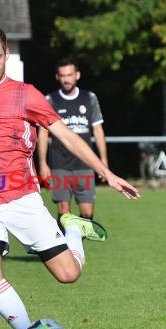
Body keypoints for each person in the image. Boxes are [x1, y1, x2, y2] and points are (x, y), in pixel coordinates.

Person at [0, 26, 139, 329]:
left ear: (6, 55)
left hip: (21, 197)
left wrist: (106, 173)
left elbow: (66, 136)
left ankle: (72, 228)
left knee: (68, 274)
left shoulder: (25, 94)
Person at [38, 58, 108, 220]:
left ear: (77, 75)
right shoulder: (50, 100)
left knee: (87, 214)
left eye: (69, 75)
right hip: (60, 165)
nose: (66, 79)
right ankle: (66, 245)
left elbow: (97, 130)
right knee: (64, 212)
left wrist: (103, 161)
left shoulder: (89, 98)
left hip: (85, 164)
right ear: (57, 77)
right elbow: (43, 133)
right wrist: (43, 163)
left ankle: (77, 245)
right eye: (62, 76)